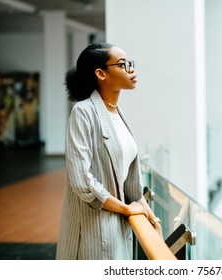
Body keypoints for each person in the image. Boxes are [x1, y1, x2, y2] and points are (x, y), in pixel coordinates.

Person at [56, 43, 162, 260]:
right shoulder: (83, 112)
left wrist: (153, 220)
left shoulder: (118, 115)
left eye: (130, 64)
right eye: (123, 65)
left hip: (116, 230)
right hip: (91, 232)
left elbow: (131, 185)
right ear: (101, 73)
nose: (131, 70)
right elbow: (82, 182)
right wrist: (125, 209)